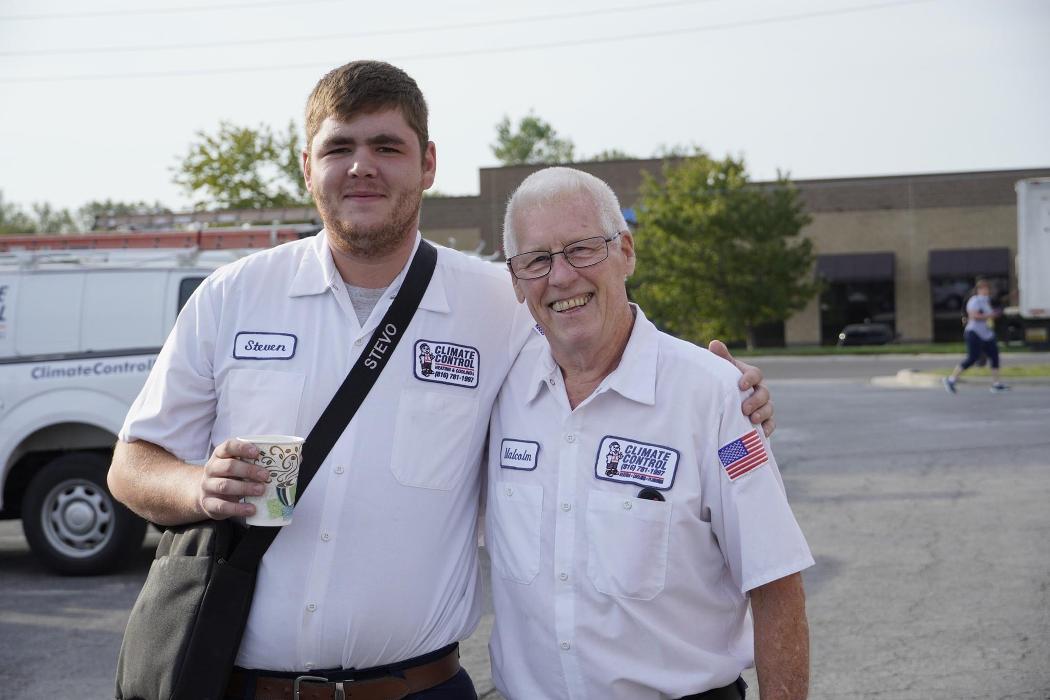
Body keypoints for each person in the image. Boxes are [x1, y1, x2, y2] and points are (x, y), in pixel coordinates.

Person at [107, 61, 776, 700]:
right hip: (240, 685)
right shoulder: (234, 296)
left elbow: (605, 351)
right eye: (339, 147)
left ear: (428, 164)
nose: (362, 167)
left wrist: (721, 391)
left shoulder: (501, 302)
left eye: (387, 146)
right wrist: (198, 486)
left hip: (416, 690)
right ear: (308, 166)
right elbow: (132, 465)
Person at [486, 167, 813, 700]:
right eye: (538, 260)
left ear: (627, 252)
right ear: (517, 281)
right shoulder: (496, 392)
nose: (562, 276)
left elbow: (776, 586)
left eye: (583, 249)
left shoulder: (713, 396)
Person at [944, 278, 1008, 393]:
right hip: (974, 332)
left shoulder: (986, 301)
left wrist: (995, 314)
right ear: (978, 289)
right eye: (984, 288)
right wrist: (989, 315)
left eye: (988, 288)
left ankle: (996, 384)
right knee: (972, 358)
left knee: (994, 356)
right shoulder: (975, 301)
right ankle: (951, 379)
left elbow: (990, 312)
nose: (986, 291)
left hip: (987, 334)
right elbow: (973, 316)